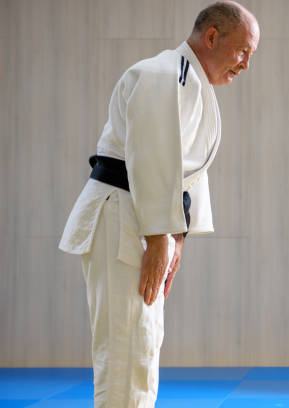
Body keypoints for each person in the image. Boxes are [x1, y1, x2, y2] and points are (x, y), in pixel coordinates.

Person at [59, 2, 259, 406]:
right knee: (125, 346)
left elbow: (187, 172)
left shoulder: (191, 84)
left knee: (142, 342)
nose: (245, 65)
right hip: (124, 216)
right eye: (243, 51)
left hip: (144, 219)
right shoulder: (162, 75)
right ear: (212, 37)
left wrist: (177, 235)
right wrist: (157, 237)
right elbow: (150, 158)